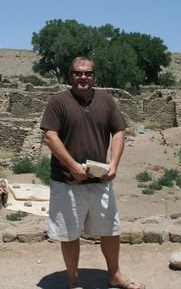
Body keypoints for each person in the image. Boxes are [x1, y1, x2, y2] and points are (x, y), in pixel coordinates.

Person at [40, 56, 145, 289]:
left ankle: (114, 274)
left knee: (110, 229)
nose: (83, 77)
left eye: (87, 73)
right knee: (69, 233)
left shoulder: (106, 101)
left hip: (100, 179)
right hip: (67, 182)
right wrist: (72, 166)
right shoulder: (58, 102)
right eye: (78, 73)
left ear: (94, 76)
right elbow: (50, 136)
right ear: (71, 75)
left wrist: (114, 164)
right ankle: (73, 279)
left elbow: (118, 132)